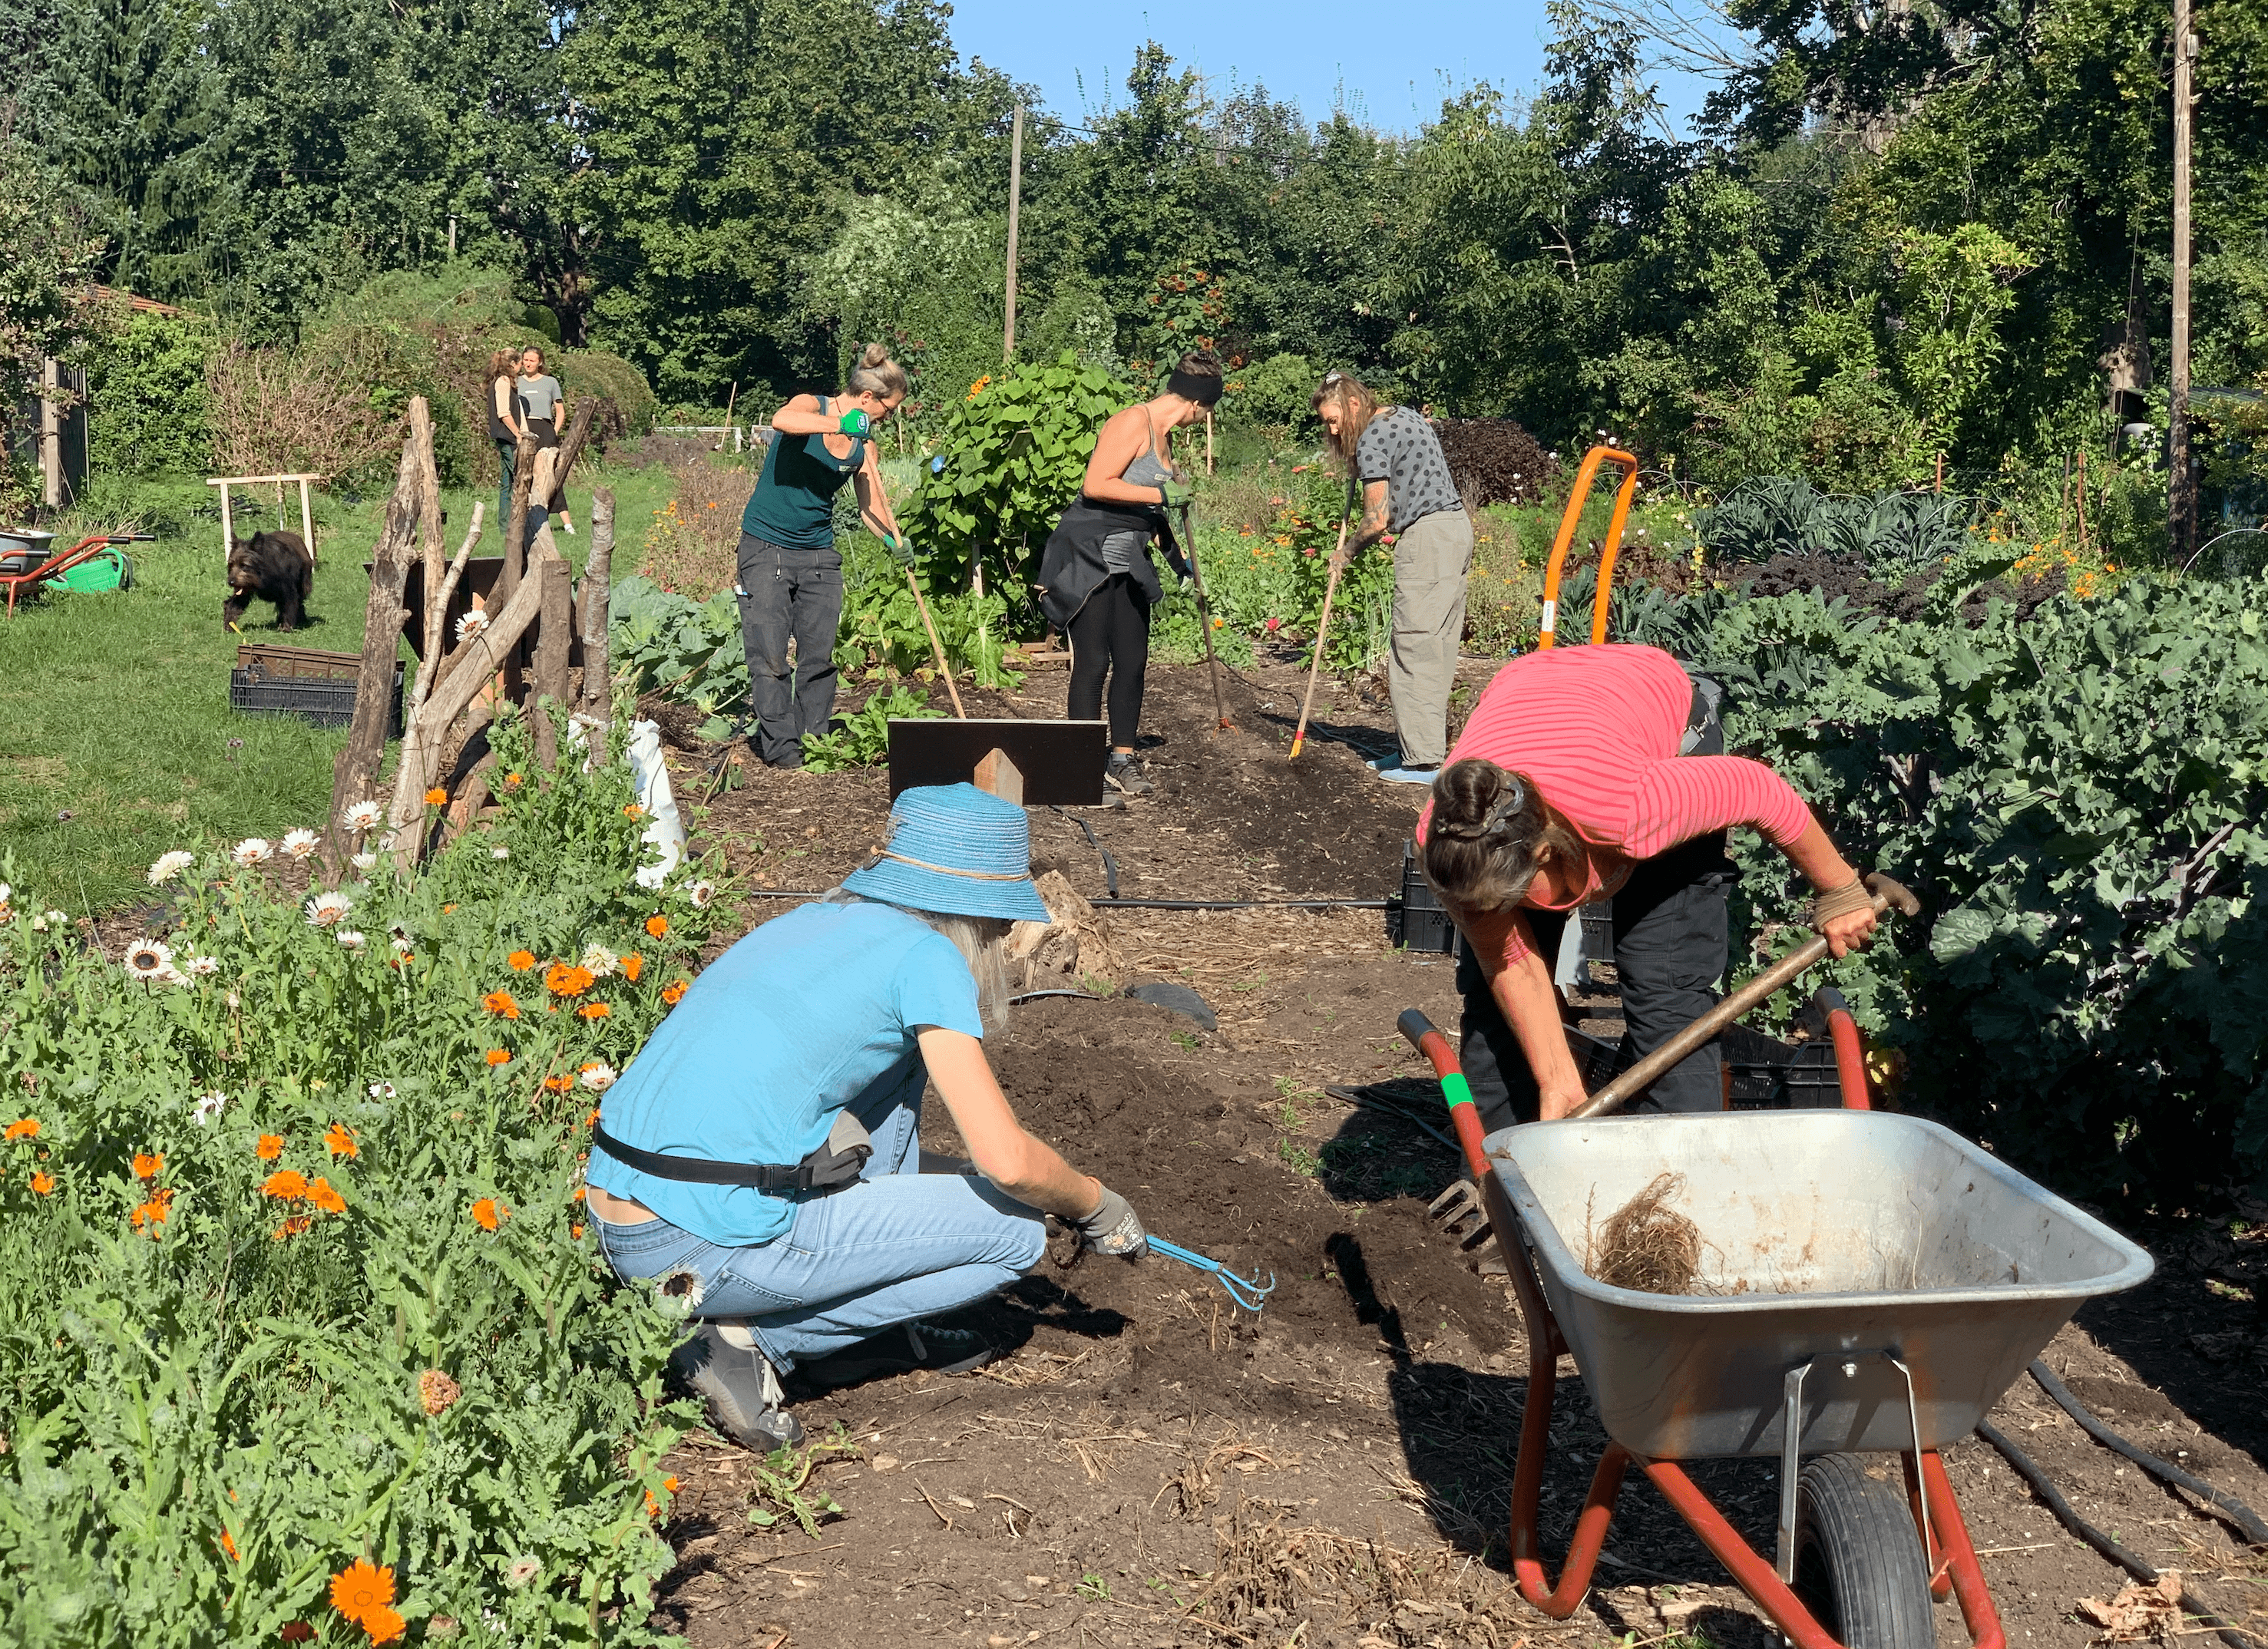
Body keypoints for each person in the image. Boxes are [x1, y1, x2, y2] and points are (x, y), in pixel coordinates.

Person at [585, 784, 1149, 1449]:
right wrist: (1095, 1204)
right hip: (696, 1248)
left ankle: (851, 1334)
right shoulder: (928, 957)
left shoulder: (814, 921)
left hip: (621, 1214)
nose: (1004, 937)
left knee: (903, 1077)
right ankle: (752, 1342)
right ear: (975, 911)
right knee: (1015, 1231)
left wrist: (955, 1182)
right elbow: (1009, 1162)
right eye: (1001, 920)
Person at [1417, 643, 1880, 1132]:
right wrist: (1558, 1081)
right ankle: (1501, 1166)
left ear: (1546, 852)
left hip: (1649, 709)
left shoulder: (1635, 807)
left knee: (1664, 991)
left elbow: (1759, 790)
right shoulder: (1452, 843)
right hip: (1530, 693)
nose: (1502, 913)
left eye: (1512, 898)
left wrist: (1840, 890)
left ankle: (1674, 1172)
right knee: (1497, 1011)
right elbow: (1509, 960)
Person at [1037, 350, 1220, 796]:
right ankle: (1082, 767)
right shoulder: (1131, 422)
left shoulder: (1165, 437)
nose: (1203, 420)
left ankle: (1121, 759)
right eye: (1207, 412)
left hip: (1131, 561)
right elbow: (1097, 484)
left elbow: (1149, 514)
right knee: (1093, 663)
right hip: (1092, 558)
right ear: (1197, 403)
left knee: (1133, 661)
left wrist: (1178, 561)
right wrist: (1160, 494)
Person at [736, 342, 912, 769]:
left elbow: (872, 506)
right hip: (767, 548)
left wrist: (893, 539)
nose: (887, 419)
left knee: (818, 658)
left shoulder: (864, 446)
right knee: (771, 658)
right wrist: (838, 421)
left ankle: (814, 744)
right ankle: (783, 751)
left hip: (818, 555)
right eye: (887, 410)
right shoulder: (811, 405)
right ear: (867, 398)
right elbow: (782, 420)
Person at [1313, 371, 1473, 785]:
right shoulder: (1403, 415)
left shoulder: (1372, 438)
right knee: (1436, 646)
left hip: (1428, 539)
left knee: (1415, 645)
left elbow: (1376, 519)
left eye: (1334, 420)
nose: (1333, 430)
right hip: (1455, 529)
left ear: (1353, 405)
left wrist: (1346, 552)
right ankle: (1416, 749)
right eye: (1327, 424)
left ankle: (1422, 763)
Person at [516, 345, 575, 536]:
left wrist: (554, 431)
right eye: (525, 360)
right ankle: (530, 520)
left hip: (545, 429)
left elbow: (560, 410)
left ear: (540, 362)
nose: (528, 364)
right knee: (526, 475)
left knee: (551, 474)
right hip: (525, 431)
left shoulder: (550, 382)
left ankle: (567, 524)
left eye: (532, 360)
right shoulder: (516, 382)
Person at [486, 348, 526, 530]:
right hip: (508, 439)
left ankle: (504, 525)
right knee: (518, 478)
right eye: (520, 364)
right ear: (512, 364)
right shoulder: (502, 382)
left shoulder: (507, 382)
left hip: (506, 438)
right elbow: (504, 413)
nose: (521, 368)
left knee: (507, 482)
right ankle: (514, 524)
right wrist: (518, 434)